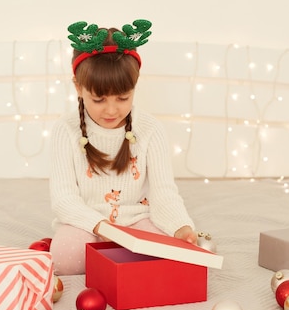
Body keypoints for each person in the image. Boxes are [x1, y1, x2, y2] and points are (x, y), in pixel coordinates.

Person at [49, 19, 197, 275]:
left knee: (168, 252)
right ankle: (112, 256)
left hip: (136, 220)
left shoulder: (151, 129)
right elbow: (64, 199)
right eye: (98, 99)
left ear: (134, 88)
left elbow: (164, 192)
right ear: (78, 88)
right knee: (62, 258)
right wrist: (100, 227)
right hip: (88, 224)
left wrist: (180, 226)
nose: (111, 109)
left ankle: (116, 257)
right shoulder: (65, 130)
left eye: (123, 98)